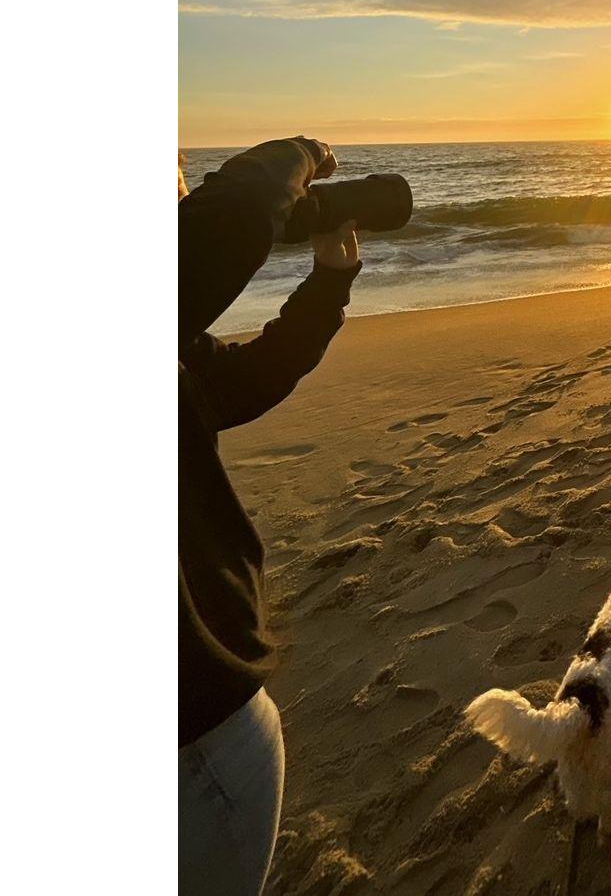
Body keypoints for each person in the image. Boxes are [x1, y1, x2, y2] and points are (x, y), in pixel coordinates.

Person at [179, 137, 363, 895]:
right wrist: (302, 153)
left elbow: (247, 378)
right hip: (192, 755)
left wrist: (330, 282)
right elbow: (226, 228)